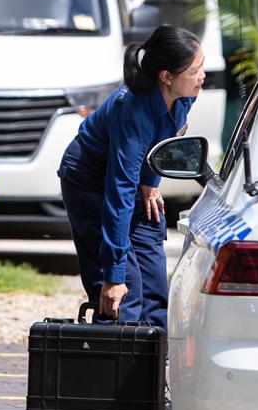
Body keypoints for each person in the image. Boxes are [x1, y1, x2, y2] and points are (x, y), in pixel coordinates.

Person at [57, 25, 205, 328]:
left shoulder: (185, 94)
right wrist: (112, 276)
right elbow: (119, 190)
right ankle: (112, 364)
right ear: (166, 76)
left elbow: (164, 138)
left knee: (154, 287)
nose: (203, 75)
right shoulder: (132, 111)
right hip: (90, 181)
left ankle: (153, 370)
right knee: (125, 292)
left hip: (132, 179)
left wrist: (150, 184)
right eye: (195, 69)